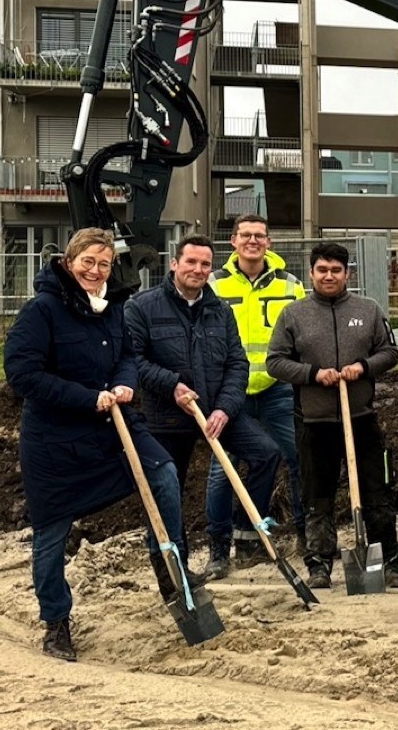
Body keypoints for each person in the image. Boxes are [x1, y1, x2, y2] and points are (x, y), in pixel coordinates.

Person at [4, 228, 185, 662]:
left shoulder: (112, 308)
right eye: (88, 261)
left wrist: (124, 384)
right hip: (54, 441)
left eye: (103, 264)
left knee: (163, 473)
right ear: (69, 263)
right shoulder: (42, 311)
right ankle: (56, 623)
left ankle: (170, 567)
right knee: (52, 533)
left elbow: (126, 354)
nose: (96, 271)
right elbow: (22, 375)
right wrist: (88, 398)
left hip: (110, 426)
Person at [127, 235, 281, 584]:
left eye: (205, 264)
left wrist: (225, 408)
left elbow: (236, 363)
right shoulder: (142, 307)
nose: (198, 270)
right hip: (167, 416)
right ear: (174, 264)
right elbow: (133, 360)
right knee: (167, 488)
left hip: (214, 411)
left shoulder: (219, 309)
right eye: (191, 262)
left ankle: (246, 533)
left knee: (266, 453)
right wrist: (171, 385)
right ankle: (172, 571)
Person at [266, 242, 398, 590]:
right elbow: (275, 362)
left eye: (336, 270)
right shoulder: (294, 314)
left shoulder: (368, 310)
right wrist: (313, 374)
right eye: (322, 270)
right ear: (312, 273)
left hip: (361, 417)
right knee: (317, 496)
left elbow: (389, 352)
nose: (329, 276)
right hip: (315, 421)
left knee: (376, 492)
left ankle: (389, 562)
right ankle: (319, 565)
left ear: (347, 273)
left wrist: (363, 366)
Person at [205, 213, 308, 576]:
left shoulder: (291, 285)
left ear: (269, 243)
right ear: (232, 241)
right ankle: (219, 548)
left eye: (260, 236)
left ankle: (306, 538)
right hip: (229, 393)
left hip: (278, 389)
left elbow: (303, 337)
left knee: (297, 461)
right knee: (223, 469)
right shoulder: (213, 285)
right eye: (245, 235)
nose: (253, 241)